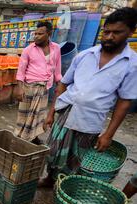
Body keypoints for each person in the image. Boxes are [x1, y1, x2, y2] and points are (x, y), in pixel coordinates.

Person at [39, 7, 137, 188]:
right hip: (67, 111)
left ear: (131, 32)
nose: (109, 37)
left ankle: (65, 188)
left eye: (116, 32)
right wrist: (51, 113)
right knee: (53, 151)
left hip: (90, 120)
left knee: (76, 158)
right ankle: (49, 179)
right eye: (106, 31)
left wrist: (108, 134)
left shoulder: (131, 64)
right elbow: (63, 84)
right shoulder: (84, 55)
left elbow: (124, 102)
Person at [15, 21, 62, 144]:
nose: (36, 36)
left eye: (40, 34)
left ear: (49, 34)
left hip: (45, 88)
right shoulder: (28, 50)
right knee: (25, 115)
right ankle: (21, 137)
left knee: (39, 116)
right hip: (29, 87)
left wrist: (60, 85)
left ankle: (34, 138)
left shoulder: (56, 48)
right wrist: (20, 89)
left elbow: (57, 70)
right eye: (35, 33)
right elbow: (21, 71)